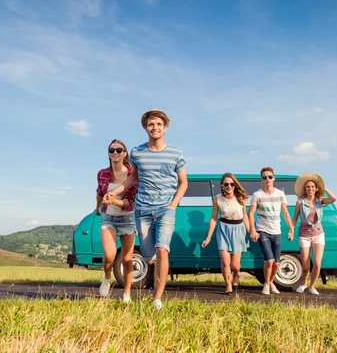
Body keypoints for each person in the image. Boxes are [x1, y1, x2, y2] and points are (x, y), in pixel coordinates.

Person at [106, 109, 187, 311]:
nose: (155, 128)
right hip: (142, 209)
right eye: (151, 124)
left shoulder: (175, 153)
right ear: (146, 127)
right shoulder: (137, 152)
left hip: (165, 209)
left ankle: (156, 299)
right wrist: (115, 193)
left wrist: (173, 204)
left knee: (162, 250)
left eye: (159, 124)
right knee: (149, 255)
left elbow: (183, 183)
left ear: (165, 127)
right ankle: (154, 263)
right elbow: (132, 178)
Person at [95, 139, 138, 303]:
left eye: (119, 150)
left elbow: (132, 202)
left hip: (127, 219)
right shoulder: (102, 173)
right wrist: (98, 208)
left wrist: (115, 201)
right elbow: (99, 192)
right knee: (110, 254)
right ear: (108, 154)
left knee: (127, 259)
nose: (115, 153)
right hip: (108, 219)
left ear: (125, 154)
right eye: (111, 150)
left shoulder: (132, 174)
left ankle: (127, 293)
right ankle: (107, 277)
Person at [248, 167, 294, 295]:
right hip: (262, 230)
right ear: (261, 179)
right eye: (264, 177)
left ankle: (270, 282)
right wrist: (253, 230)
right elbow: (250, 213)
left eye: (269, 177)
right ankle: (266, 285)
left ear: (274, 178)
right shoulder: (257, 195)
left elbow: (285, 212)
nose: (267, 179)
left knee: (277, 263)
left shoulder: (280, 194)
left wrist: (291, 229)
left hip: (277, 231)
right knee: (269, 260)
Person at [201, 173, 250, 294]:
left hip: (238, 229)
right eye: (226, 184)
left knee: (235, 265)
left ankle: (235, 275)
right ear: (222, 185)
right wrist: (208, 237)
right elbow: (213, 218)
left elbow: (245, 216)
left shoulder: (241, 198)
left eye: (232, 184)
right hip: (223, 229)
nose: (229, 186)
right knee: (225, 262)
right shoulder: (217, 199)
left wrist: (251, 231)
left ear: (235, 185)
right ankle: (228, 285)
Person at [292, 172, 336, 295]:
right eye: (308, 187)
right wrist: (291, 230)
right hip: (304, 235)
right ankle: (303, 284)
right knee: (306, 266)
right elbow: (294, 219)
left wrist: (324, 188)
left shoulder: (320, 201)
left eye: (312, 187)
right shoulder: (300, 202)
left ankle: (312, 286)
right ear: (304, 189)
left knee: (317, 263)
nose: (310, 189)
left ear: (316, 189)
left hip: (318, 234)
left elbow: (334, 198)